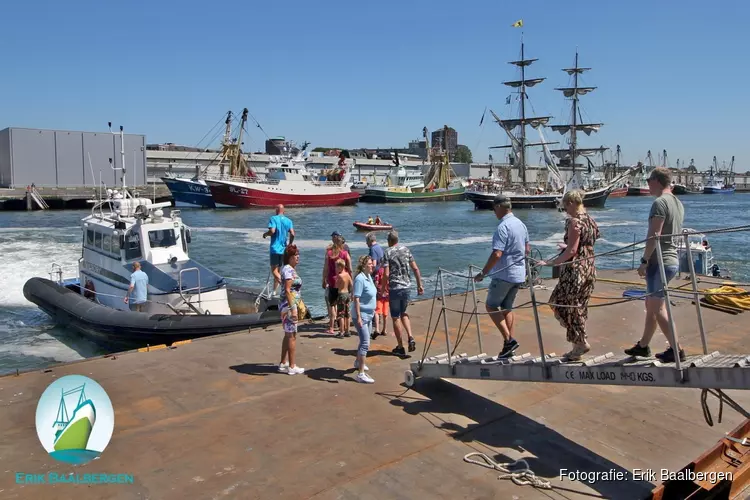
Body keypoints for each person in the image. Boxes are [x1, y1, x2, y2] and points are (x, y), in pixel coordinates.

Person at [625, 167, 686, 362]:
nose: (647, 184)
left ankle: (677, 350)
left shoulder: (660, 203)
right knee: (651, 304)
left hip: (660, 261)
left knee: (658, 308)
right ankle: (643, 345)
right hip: (671, 259)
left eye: (649, 180)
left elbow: (654, 235)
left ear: (657, 181)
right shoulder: (678, 203)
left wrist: (644, 261)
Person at [537, 190, 600, 360]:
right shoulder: (591, 220)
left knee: (560, 302)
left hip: (575, 270)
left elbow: (572, 251)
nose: (564, 209)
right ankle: (577, 346)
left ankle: (580, 342)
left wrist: (551, 263)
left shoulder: (574, 222)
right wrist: (568, 247)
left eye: (565, 205)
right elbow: (586, 243)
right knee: (578, 305)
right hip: (589, 267)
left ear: (572, 203)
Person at [474, 195, 530, 359]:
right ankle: (508, 346)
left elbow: (497, 253)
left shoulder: (503, 227)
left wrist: (483, 273)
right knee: (507, 308)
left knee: (491, 306)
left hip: (504, 274)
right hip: (518, 274)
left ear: (499, 207)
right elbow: (527, 249)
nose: (494, 212)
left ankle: (509, 340)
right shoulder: (521, 224)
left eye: (494, 209)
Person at [381, 230, 424, 355]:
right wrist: (419, 285)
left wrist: (383, 288)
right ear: (397, 240)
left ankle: (400, 346)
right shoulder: (406, 250)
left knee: (395, 317)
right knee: (404, 313)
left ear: (389, 241)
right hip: (406, 287)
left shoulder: (387, 252)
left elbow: (386, 274)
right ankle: (410, 337)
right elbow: (415, 268)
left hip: (395, 288)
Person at [278, 245, 305, 375]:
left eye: (298, 254)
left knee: (288, 334)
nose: (297, 257)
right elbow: (288, 290)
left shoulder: (288, 269)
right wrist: (293, 308)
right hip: (288, 306)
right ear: (289, 257)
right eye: (295, 255)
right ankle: (292, 366)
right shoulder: (288, 270)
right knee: (292, 336)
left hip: (287, 305)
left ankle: (283, 363)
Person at [352, 255, 377, 383]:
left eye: (372, 263)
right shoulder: (360, 279)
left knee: (364, 341)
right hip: (361, 316)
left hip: (369, 315)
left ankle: (358, 362)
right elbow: (356, 298)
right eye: (370, 263)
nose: (372, 265)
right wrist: (359, 317)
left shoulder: (368, 277)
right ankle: (360, 374)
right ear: (364, 265)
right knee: (365, 343)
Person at [323, 232, 352, 334]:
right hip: (343, 282)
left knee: (332, 304)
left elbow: (326, 268)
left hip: (332, 281)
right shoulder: (344, 253)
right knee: (344, 306)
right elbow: (350, 268)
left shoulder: (329, 253)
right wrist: (350, 281)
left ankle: (332, 327)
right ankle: (345, 329)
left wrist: (323, 279)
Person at [263, 204, 295, 296]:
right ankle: (274, 292)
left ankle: (285, 285)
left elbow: (272, 231)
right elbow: (292, 234)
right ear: (284, 211)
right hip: (284, 249)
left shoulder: (273, 218)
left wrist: (265, 234)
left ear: (276, 210)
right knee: (279, 270)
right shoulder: (289, 221)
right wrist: (290, 244)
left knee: (274, 271)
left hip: (274, 249)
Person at [335, 259, 353, 338]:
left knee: (341, 314)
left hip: (341, 294)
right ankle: (347, 331)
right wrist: (351, 293)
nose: (336, 268)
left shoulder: (340, 276)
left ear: (340, 267)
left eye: (337, 266)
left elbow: (336, 286)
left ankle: (341, 331)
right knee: (347, 314)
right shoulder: (347, 274)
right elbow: (351, 284)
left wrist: (337, 277)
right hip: (347, 294)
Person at [371, 263, 389, 339]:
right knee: (385, 313)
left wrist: (374, 289)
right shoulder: (389, 272)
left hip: (379, 293)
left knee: (377, 312)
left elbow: (376, 281)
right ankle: (384, 329)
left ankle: (377, 329)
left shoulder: (379, 271)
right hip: (388, 293)